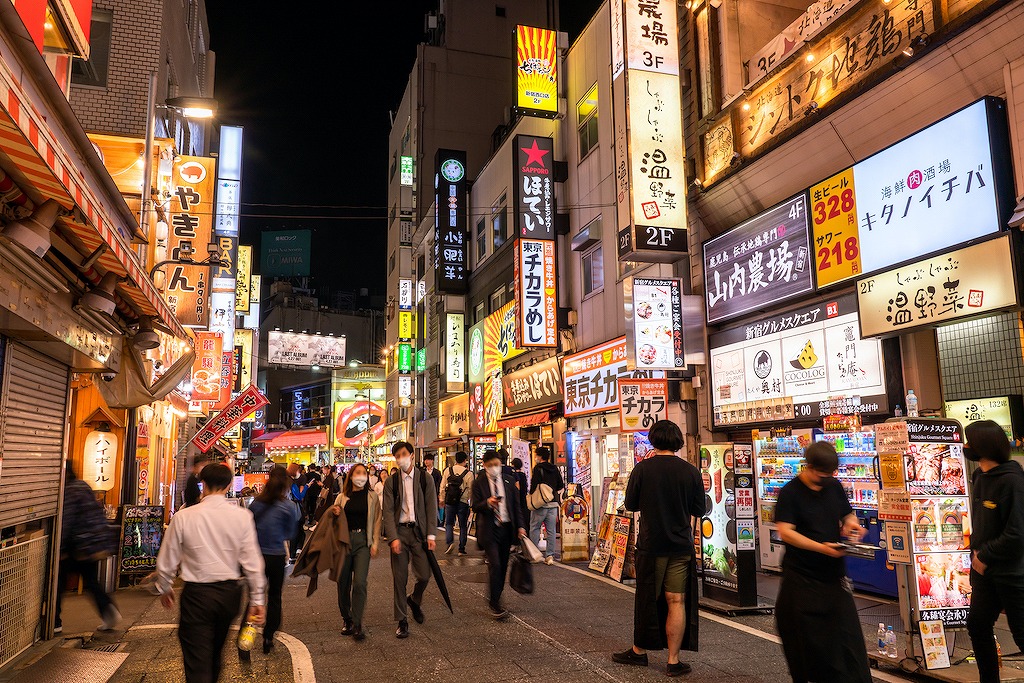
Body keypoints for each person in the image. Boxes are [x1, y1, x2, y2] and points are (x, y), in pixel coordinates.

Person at [155, 463, 266, 683]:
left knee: (197, 656)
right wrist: (257, 599)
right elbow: (252, 561)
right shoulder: (242, 516)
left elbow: (167, 558)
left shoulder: (184, 517)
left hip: (197, 595)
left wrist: (164, 585)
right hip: (229, 595)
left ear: (202, 484)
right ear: (227, 487)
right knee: (216, 651)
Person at [773, 441, 870, 683]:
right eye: (820, 474)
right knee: (807, 643)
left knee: (847, 642)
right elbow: (785, 532)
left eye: (829, 475)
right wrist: (821, 548)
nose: (824, 479)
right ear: (808, 466)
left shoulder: (833, 486)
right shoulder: (790, 493)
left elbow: (847, 513)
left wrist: (852, 524)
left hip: (833, 578)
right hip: (802, 578)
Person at [613, 420, 704, 677]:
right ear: (677, 441)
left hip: (651, 545)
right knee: (677, 600)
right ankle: (673, 660)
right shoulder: (691, 472)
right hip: (680, 546)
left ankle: (639, 651)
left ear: (653, 440)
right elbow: (700, 510)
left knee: (647, 599)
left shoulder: (642, 470)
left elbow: (630, 504)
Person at [964, 420, 1024, 683]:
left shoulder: (1012, 481)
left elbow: (1017, 533)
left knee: (1022, 634)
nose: (965, 446)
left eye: (969, 441)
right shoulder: (979, 476)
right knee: (977, 626)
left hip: (1012, 573)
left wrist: (985, 555)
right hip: (983, 572)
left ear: (983, 446)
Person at [381, 441, 438, 639]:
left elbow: (431, 506)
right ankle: (402, 620)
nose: (400, 458)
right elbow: (387, 512)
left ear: (412, 455)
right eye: (397, 456)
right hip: (400, 533)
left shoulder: (424, 478)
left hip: (419, 534)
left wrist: (431, 534)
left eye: (403, 454)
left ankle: (414, 599)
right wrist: (392, 537)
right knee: (399, 578)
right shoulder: (392, 481)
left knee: (424, 575)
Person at [56, 461, 119, 633]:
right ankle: (108, 610)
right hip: (94, 543)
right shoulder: (83, 486)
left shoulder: (69, 490)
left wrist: (60, 549)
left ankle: (55, 621)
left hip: (79, 545)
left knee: (59, 582)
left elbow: (67, 521)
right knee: (91, 581)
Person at [248, 466, 301, 655]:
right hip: (277, 556)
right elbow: (290, 533)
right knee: (275, 597)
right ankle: (268, 636)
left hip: (257, 557)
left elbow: (249, 528)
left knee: (255, 596)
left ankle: (246, 636)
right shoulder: (288, 506)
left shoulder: (255, 504)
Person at [472, 449, 527, 619]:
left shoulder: (509, 481)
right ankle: (494, 603)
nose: (494, 468)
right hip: (489, 529)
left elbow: (516, 506)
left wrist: (521, 527)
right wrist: (487, 503)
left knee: (502, 566)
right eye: (490, 465)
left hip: (506, 528)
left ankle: (496, 597)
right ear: (484, 466)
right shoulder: (478, 482)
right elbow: (475, 506)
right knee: (495, 564)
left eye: (497, 464)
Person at [331, 463, 382, 641]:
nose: (361, 476)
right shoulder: (342, 497)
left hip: (363, 542)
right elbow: (332, 521)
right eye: (358, 473)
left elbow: (377, 521)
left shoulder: (372, 496)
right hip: (343, 543)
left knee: (360, 582)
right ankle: (347, 618)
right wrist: (334, 513)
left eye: (364, 473)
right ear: (351, 476)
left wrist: (375, 543)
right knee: (343, 582)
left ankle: (358, 622)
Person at [529, 446, 565, 565]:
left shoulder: (538, 468)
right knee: (551, 531)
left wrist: (531, 496)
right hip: (553, 503)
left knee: (534, 527)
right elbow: (560, 485)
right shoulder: (554, 468)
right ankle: (549, 556)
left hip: (541, 504)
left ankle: (535, 554)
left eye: (536, 456)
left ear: (539, 456)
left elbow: (534, 485)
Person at [439, 451, 473, 555]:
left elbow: (442, 486)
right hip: (463, 502)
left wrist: (442, 499)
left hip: (450, 501)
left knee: (449, 523)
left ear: (455, 460)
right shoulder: (469, 474)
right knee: (463, 525)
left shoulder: (447, 471)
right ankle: (461, 549)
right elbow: (471, 490)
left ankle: (450, 542)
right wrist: (471, 503)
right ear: (465, 461)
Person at [288, 462, 308, 562]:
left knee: (297, 531)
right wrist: (307, 487)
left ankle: (295, 552)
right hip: (294, 509)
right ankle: (293, 554)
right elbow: (299, 496)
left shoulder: (284, 481)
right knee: (297, 531)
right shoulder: (291, 482)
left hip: (286, 509)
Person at [423, 454, 443, 526]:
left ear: (432, 461)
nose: (426, 461)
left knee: (434, 509)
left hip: (434, 494)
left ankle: (436, 523)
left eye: (428, 460)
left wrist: (438, 494)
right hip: (424, 494)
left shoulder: (437, 472)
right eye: (425, 460)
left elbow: (439, 484)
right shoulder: (422, 471)